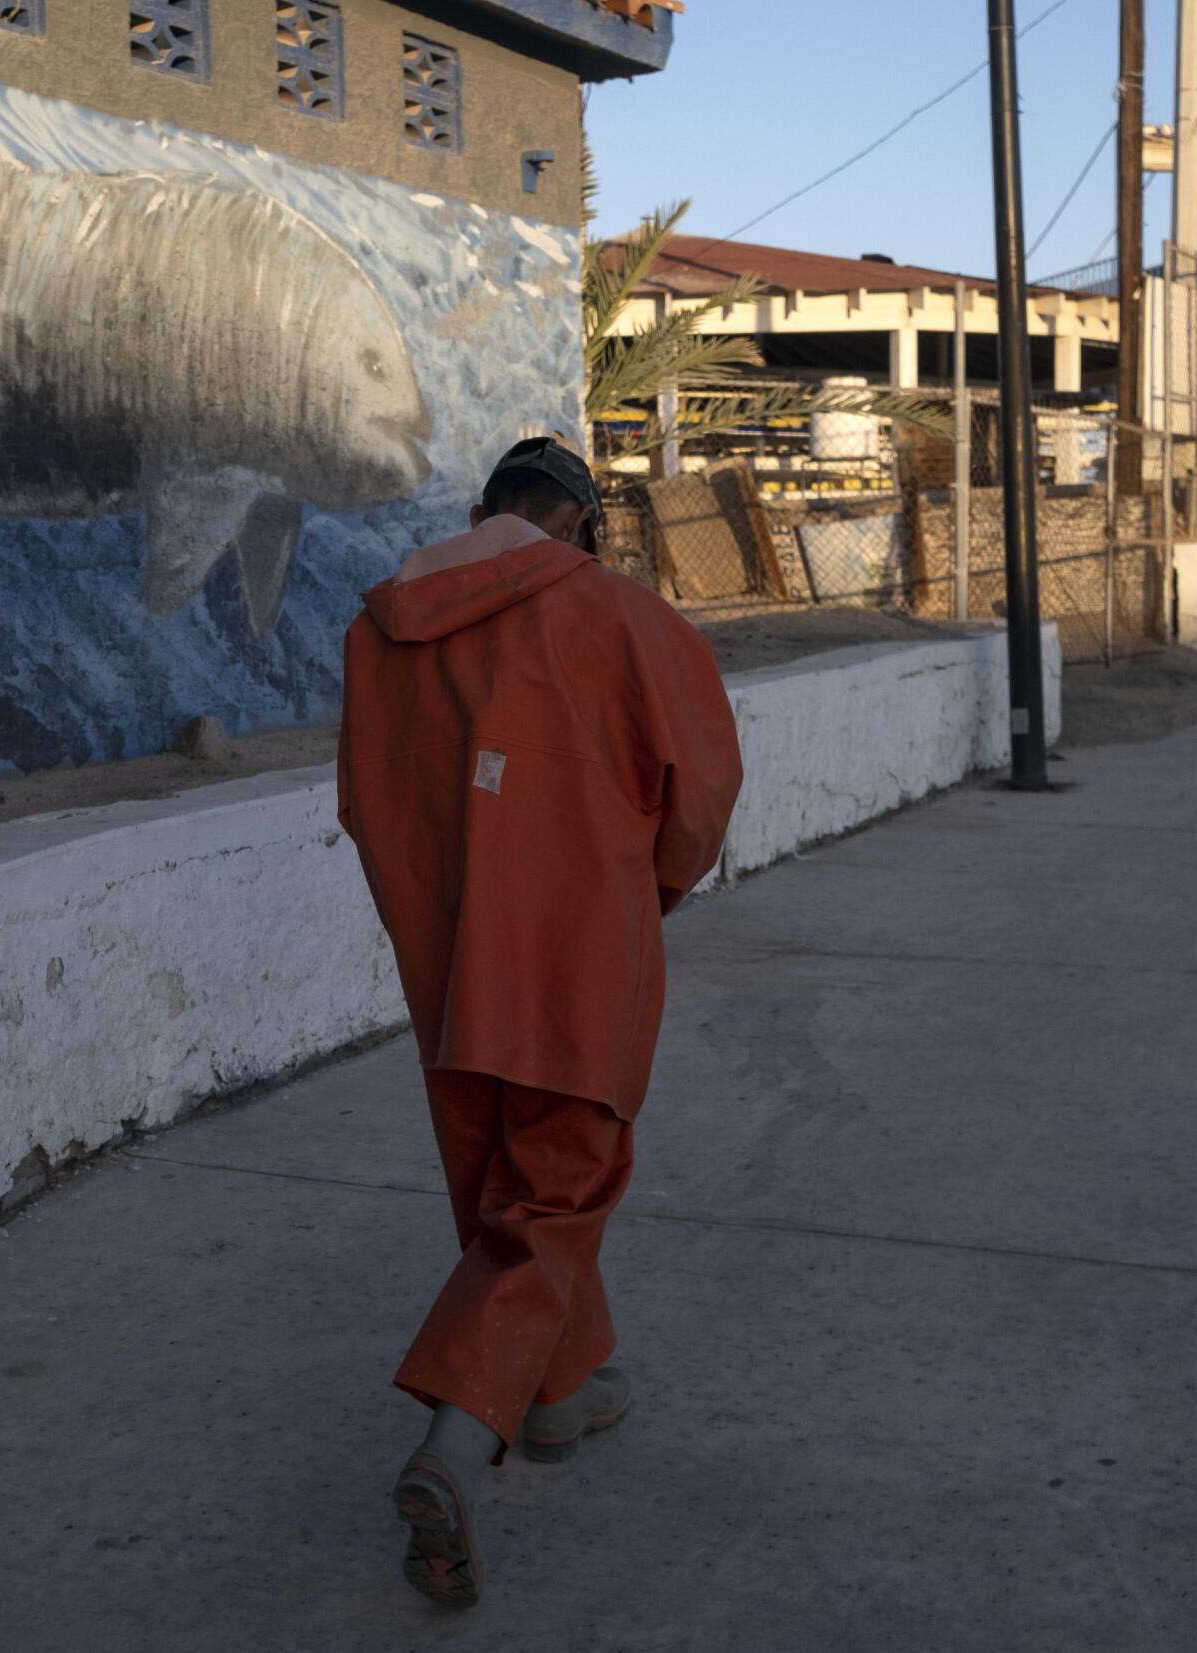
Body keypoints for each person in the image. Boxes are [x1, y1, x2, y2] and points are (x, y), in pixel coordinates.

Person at [335, 437, 743, 1607]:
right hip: (572, 960)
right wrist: (637, 894)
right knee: (555, 1194)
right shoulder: (618, 616)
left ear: (482, 512)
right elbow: (697, 800)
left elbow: (366, 809)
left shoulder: (377, 634)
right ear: (580, 524)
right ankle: (455, 1445)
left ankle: (562, 1395)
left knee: (504, 1194)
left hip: (448, 961)